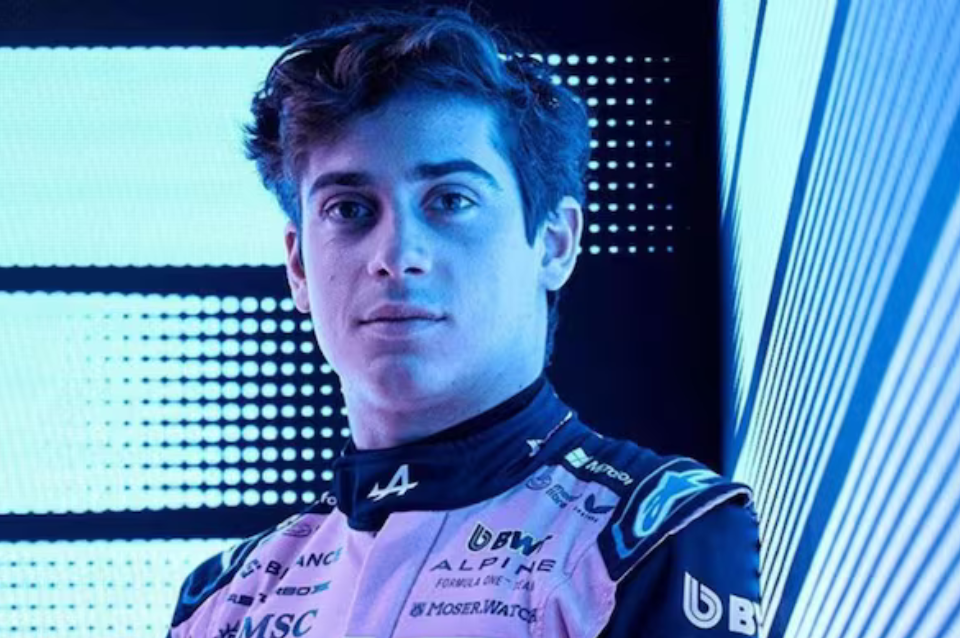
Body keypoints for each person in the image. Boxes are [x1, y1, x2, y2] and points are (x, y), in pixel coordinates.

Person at [166, 5, 761, 637]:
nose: (397, 256)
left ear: (554, 243)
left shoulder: (654, 537)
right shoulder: (228, 599)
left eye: (450, 200)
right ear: (298, 267)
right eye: (349, 209)